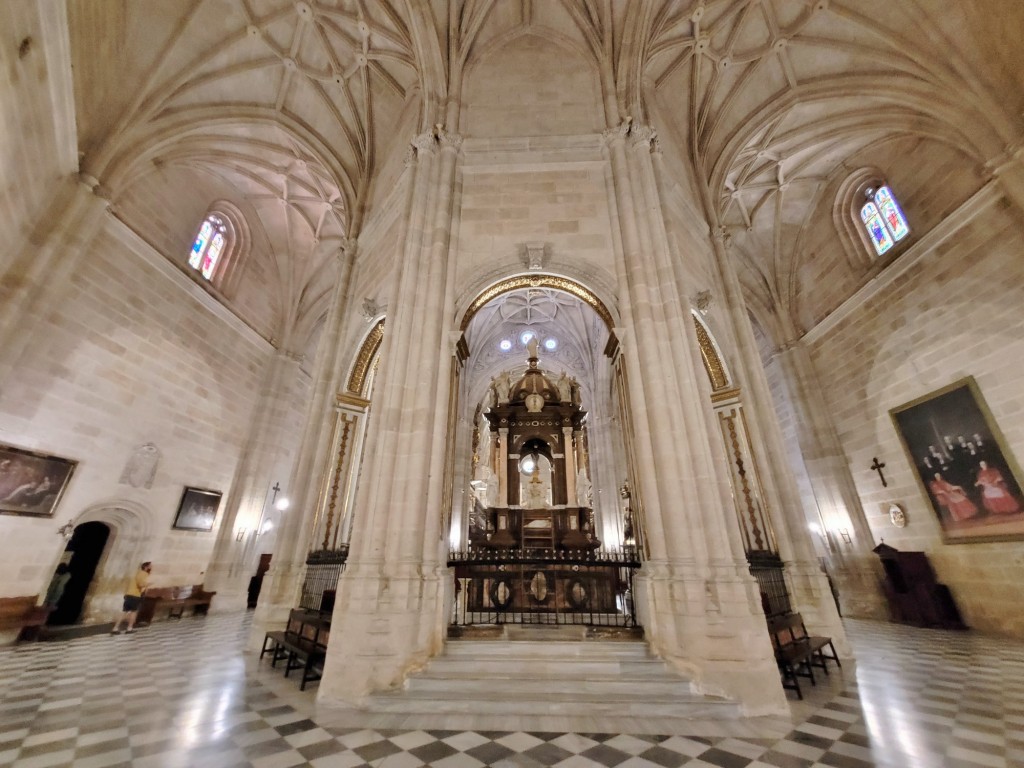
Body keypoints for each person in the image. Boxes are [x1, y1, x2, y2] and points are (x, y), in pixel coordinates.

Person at [112, 561, 152, 634]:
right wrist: (149, 584)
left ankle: (115, 628)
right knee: (133, 612)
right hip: (135, 595)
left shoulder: (138, 573)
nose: (151, 568)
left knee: (124, 611)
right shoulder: (144, 574)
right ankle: (129, 628)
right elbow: (141, 584)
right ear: (146, 567)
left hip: (129, 594)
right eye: (150, 566)